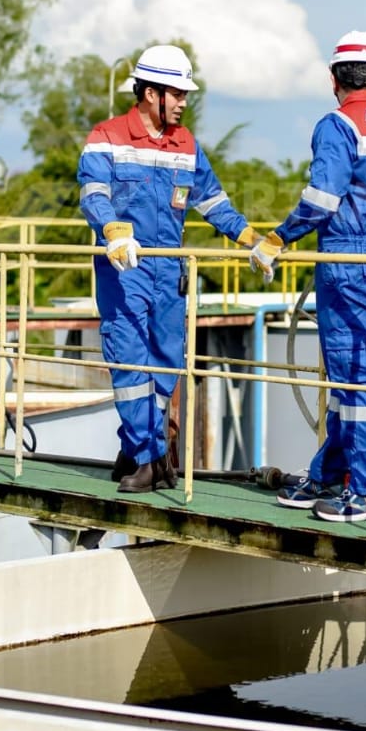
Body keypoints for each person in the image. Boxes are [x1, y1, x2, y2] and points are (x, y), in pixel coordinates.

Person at [250, 30, 366, 522]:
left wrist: (280, 238)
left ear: (334, 79)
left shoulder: (339, 125)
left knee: (359, 376)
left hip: (348, 262)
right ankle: (329, 475)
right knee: (350, 375)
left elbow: (323, 199)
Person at [78, 45, 259, 493]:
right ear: (149, 93)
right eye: (176, 94)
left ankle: (135, 447)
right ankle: (150, 459)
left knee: (165, 367)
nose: (183, 102)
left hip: (169, 271)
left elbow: (212, 200)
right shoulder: (107, 136)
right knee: (129, 362)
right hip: (126, 267)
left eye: (183, 95)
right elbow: (92, 192)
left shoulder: (187, 144)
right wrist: (113, 230)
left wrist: (250, 237)